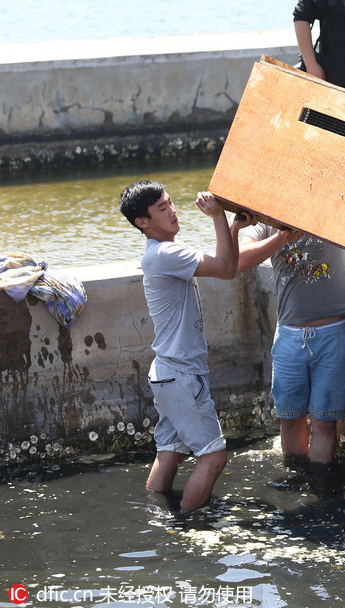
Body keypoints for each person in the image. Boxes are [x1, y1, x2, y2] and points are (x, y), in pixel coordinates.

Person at [118, 180, 251, 511]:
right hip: (180, 374)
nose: (173, 211)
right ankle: (189, 524)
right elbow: (223, 268)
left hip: (167, 372)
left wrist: (232, 228)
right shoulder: (165, 253)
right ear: (143, 223)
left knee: (170, 453)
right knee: (214, 458)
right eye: (162, 208)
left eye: (171, 203)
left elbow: (228, 268)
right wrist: (218, 217)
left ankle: (157, 517)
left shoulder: (160, 253)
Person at [237, 225, 345, 465]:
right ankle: (295, 482)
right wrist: (281, 238)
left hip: (333, 334)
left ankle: (317, 487)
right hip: (289, 337)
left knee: (324, 423)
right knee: (291, 419)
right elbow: (241, 259)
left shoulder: (328, 204)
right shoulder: (263, 221)